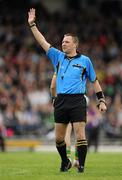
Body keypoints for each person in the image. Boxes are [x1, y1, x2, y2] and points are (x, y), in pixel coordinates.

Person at [28, 8, 107, 173]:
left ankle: (82, 167)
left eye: (67, 42)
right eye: (63, 41)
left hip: (78, 100)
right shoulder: (57, 56)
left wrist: (101, 100)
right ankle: (65, 161)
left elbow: (95, 81)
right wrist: (33, 25)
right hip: (61, 100)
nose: (63, 43)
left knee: (80, 135)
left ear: (75, 44)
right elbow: (42, 41)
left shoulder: (85, 61)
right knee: (58, 138)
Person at [50, 73, 79, 167]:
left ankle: (68, 157)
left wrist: (54, 98)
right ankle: (77, 160)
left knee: (66, 133)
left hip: (64, 100)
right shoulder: (81, 63)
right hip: (80, 98)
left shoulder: (60, 66)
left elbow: (53, 86)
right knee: (80, 133)